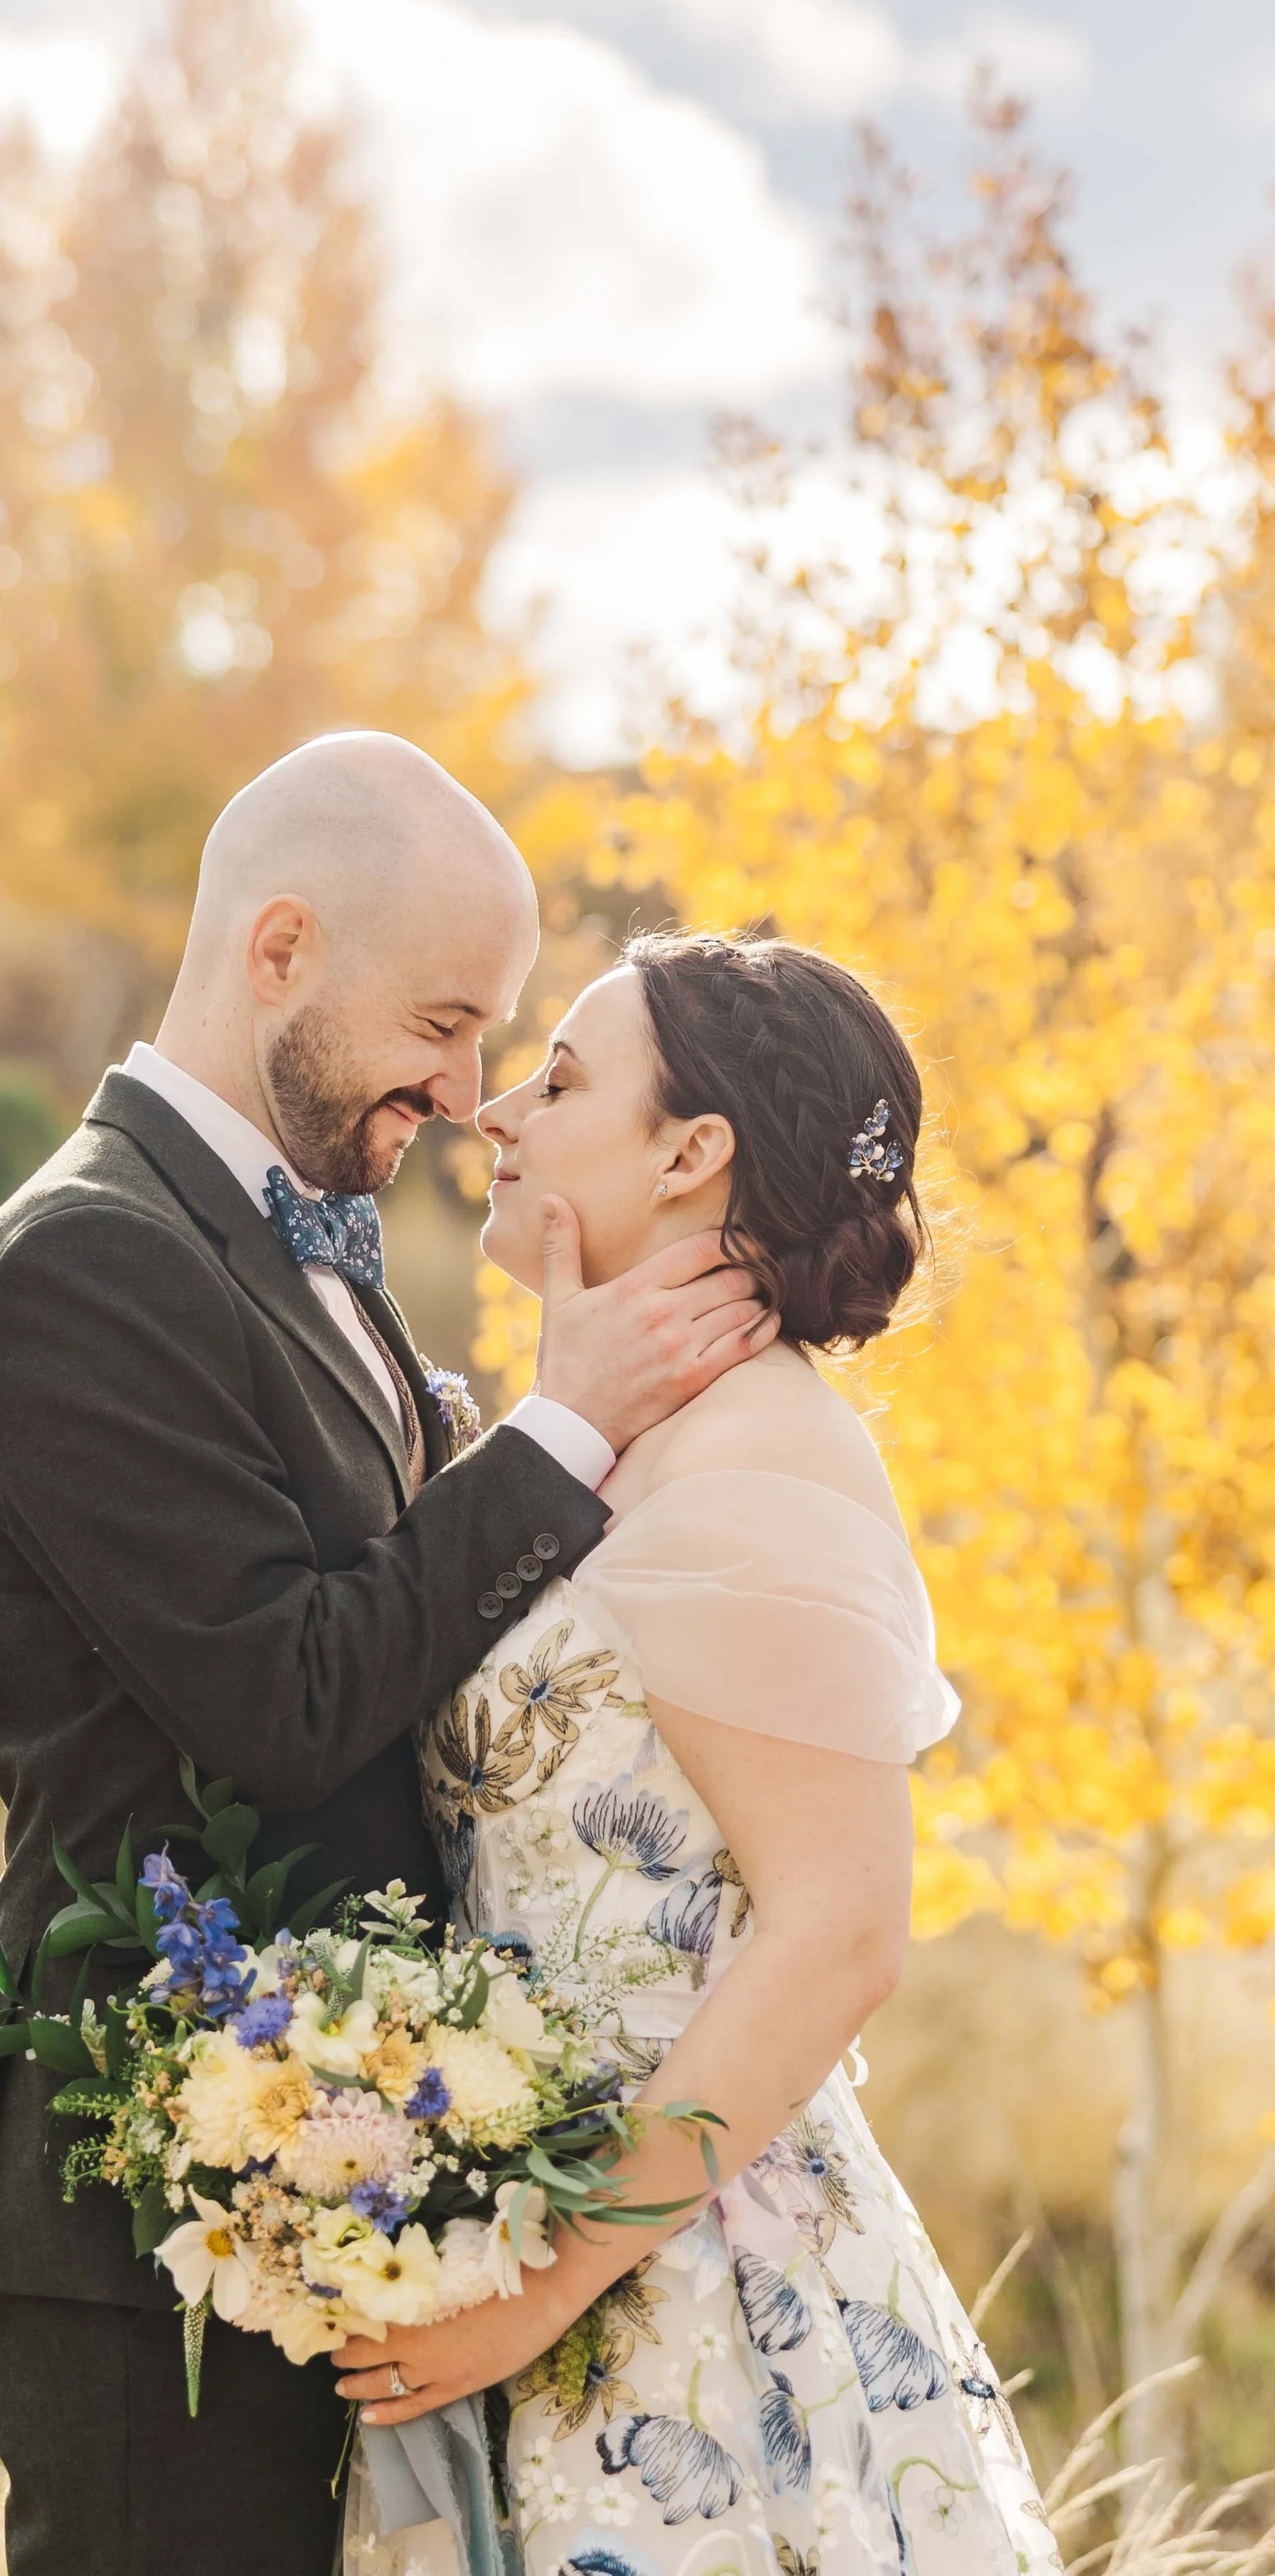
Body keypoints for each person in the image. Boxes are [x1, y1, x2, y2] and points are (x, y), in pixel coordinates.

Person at [0, 737, 774, 2576]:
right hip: (142, 2200)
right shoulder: (85, 1258)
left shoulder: (303, 1243)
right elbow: (284, 1697)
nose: (469, 1092)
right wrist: (558, 1436)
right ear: (282, 948)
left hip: (348, 2174)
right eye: (447, 1024)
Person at [334, 932, 1059, 2576]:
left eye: (562, 1080)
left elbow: (840, 1932)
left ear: (690, 1153)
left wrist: (546, 2283)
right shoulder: (626, 1440)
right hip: (553, 2256)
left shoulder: (760, 1458)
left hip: (690, 2316)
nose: (498, 1116)